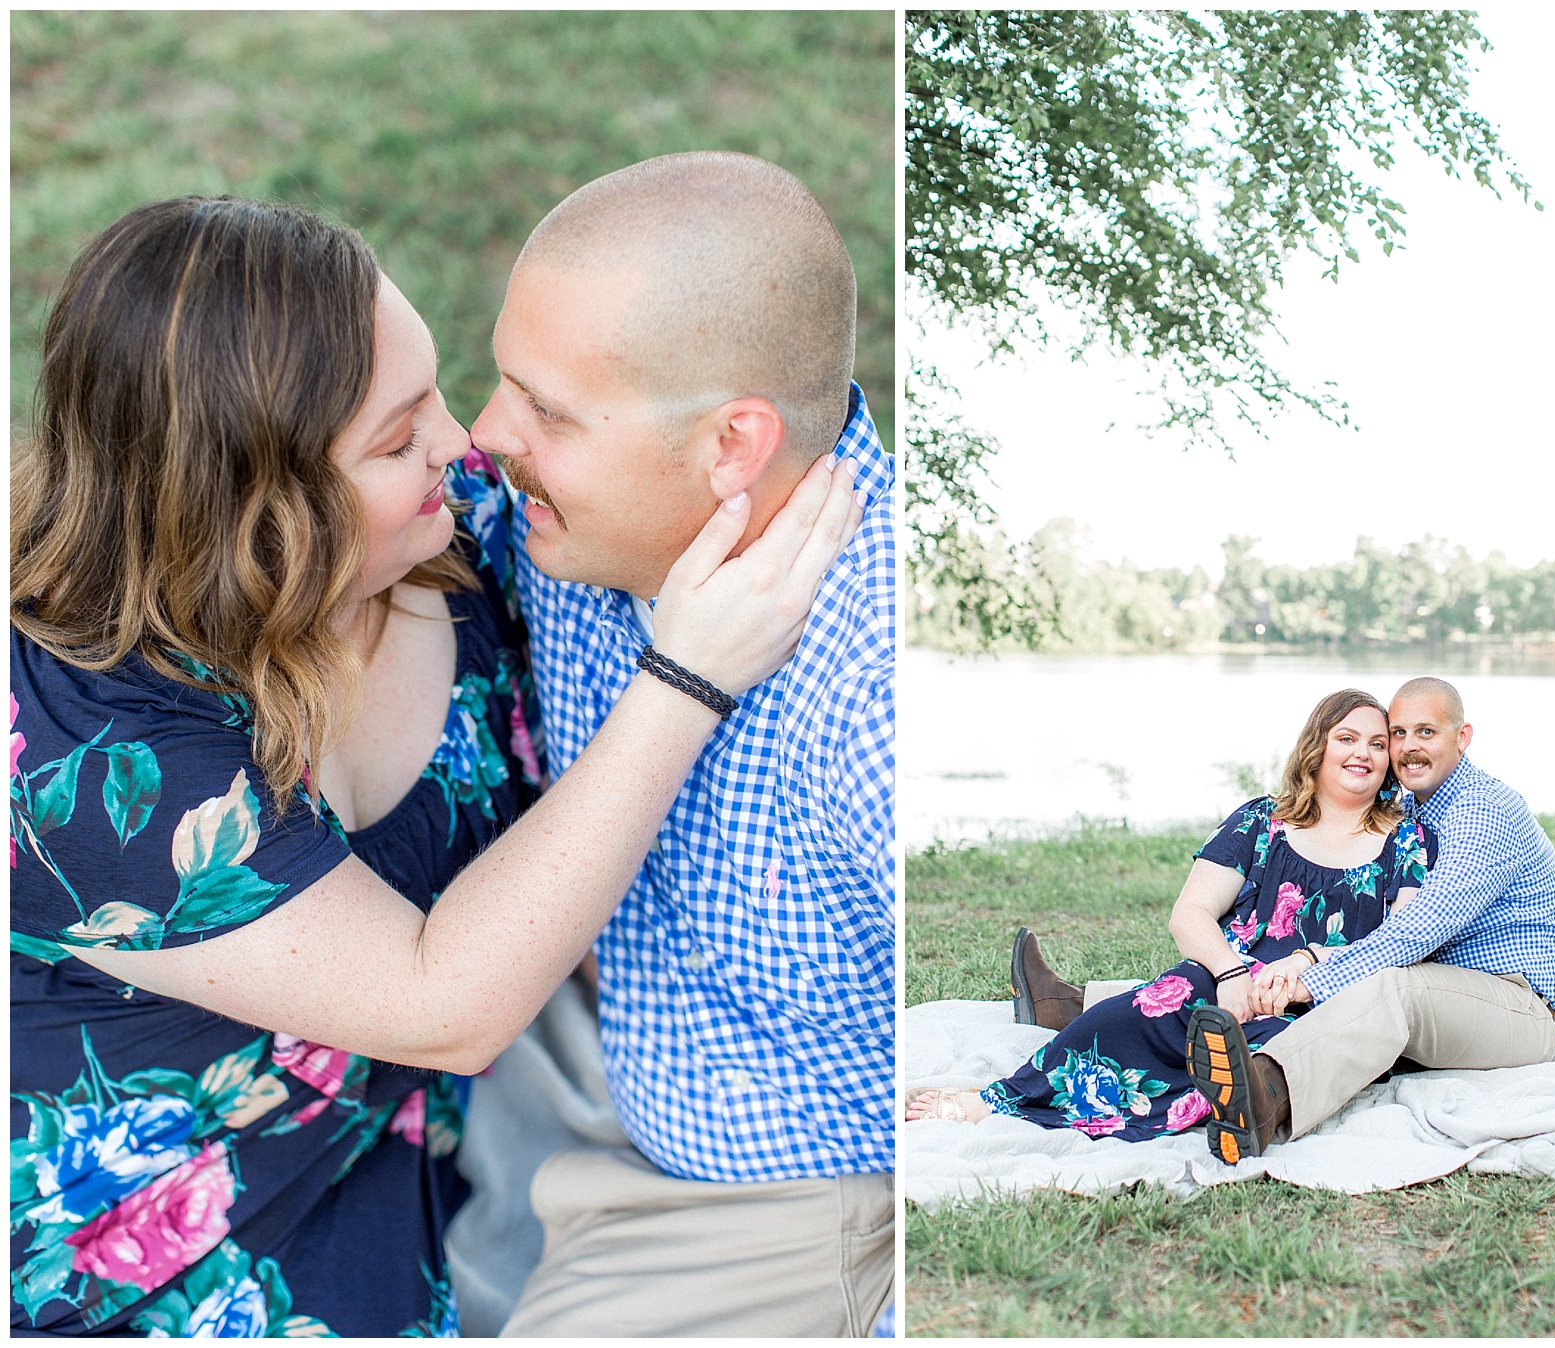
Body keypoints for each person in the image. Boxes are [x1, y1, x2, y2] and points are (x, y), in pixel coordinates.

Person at [9, 196, 856, 1337]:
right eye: (397, 436)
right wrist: (689, 677)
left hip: (424, 1134)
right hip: (150, 1244)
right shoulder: (83, 749)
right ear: (257, 504)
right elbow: (441, 1004)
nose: (463, 443)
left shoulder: (449, 541)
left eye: (435, 394)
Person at [455, 152, 895, 1337]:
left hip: (795, 1205)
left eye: (546, 409)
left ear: (732, 447)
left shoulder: (874, 697)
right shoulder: (580, 519)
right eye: (504, 383)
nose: (488, 433)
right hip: (603, 1068)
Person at [1008, 676, 1555, 1165]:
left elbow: (1415, 932)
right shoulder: (1419, 806)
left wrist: (1309, 973)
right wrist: (1267, 969)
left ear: (1462, 736)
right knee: (1205, 982)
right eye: (1398, 733)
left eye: (1423, 732)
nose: (1406, 748)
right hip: (1447, 988)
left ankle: (1264, 1097)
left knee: (1388, 991)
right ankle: (1069, 1006)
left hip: (1517, 1003)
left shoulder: (1479, 811)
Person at [905, 689, 1435, 1145]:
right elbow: (1190, 912)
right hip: (1225, 976)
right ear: (1316, 746)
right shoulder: (1261, 821)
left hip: (1321, 998)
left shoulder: (1405, 840)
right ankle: (1005, 1100)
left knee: (1246, 1060)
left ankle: (1215, 1106)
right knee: (1128, 1018)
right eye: (1347, 738)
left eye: (1377, 743)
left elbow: (1403, 939)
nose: (1362, 753)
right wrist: (1230, 974)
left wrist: (1307, 968)